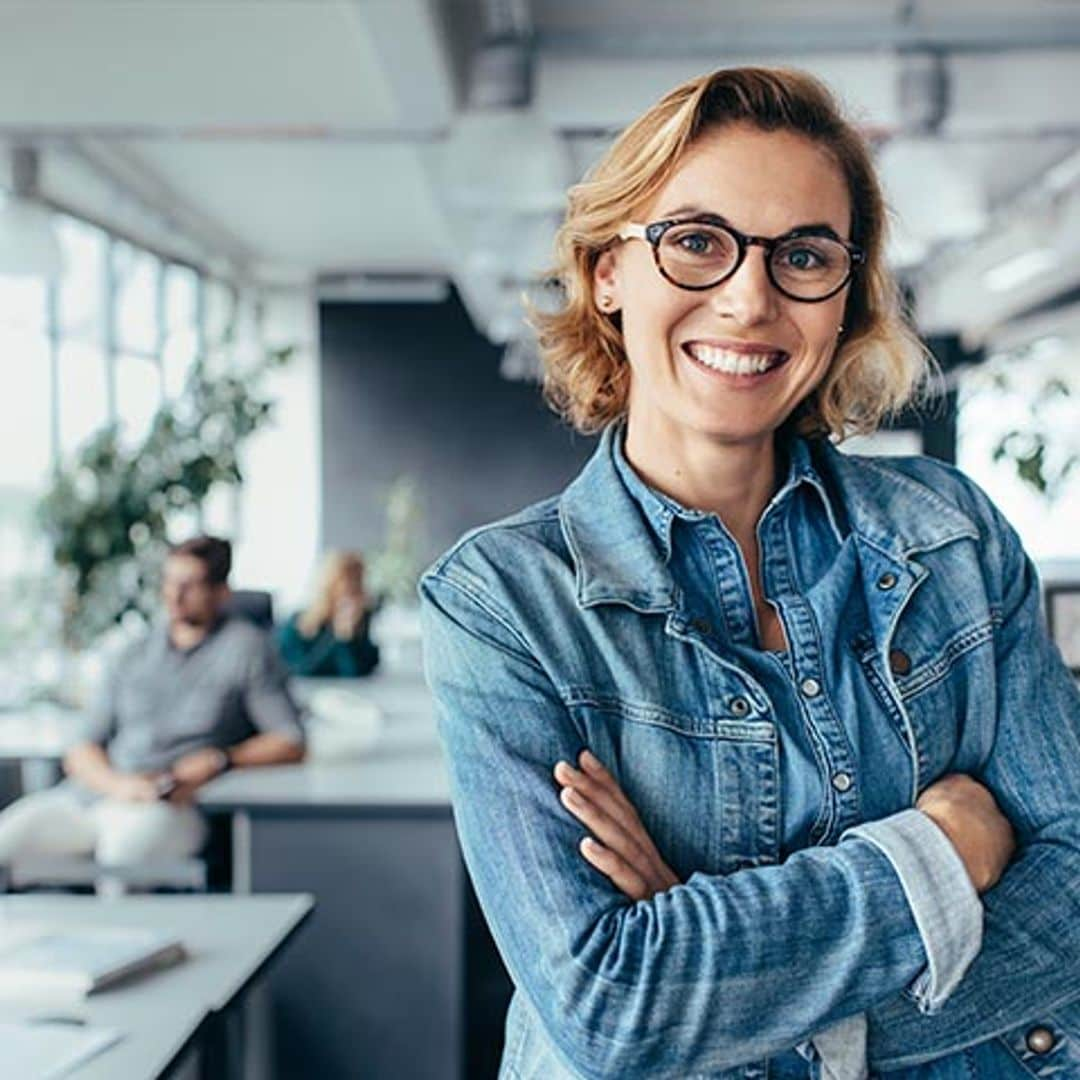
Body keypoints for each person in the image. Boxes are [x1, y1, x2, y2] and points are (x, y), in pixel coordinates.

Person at [419, 67, 1080, 1080]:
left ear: (845, 293)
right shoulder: (504, 603)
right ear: (607, 271)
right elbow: (614, 1002)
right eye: (695, 241)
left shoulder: (952, 538)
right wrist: (942, 855)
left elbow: (1073, 892)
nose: (748, 299)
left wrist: (731, 978)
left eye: (804, 254)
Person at [0, 535, 305, 874]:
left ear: (221, 592)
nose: (175, 596)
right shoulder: (134, 651)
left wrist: (221, 760)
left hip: (171, 805)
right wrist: (121, 786)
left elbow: (289, 740)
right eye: (170, 582)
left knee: (122, 857)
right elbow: (81, 748)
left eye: (190, 585)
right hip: (97, 794)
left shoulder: (247, 649)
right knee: (8, 837)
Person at [277, 550, 380, 677]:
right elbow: (303, 670)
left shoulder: (358, 626)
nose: (351, 591)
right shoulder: (297, 624)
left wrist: (345, 637)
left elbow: (353, 672)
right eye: (346, 583)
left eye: (357, 583)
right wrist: (334, 637)